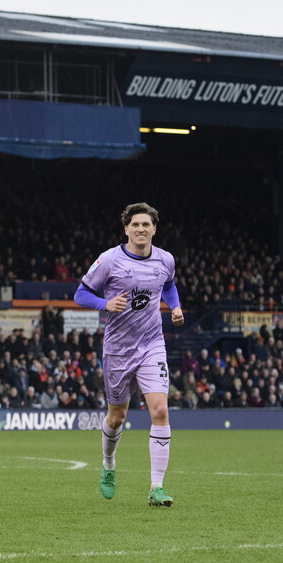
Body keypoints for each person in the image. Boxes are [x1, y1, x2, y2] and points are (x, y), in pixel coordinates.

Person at [73, 202, 184, 507]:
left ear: (154, 229)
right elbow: (80, 293)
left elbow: (169, 285)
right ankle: (108, 464)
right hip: (118, 350)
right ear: (126, 229)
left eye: (146, 224)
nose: (140, 229)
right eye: (135, 224)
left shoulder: (166, 259)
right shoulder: (109, 260)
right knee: (117, 416)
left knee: (160, 410)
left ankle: (156, 487)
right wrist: (104, 304)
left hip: (152, 345)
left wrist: (174, 307)